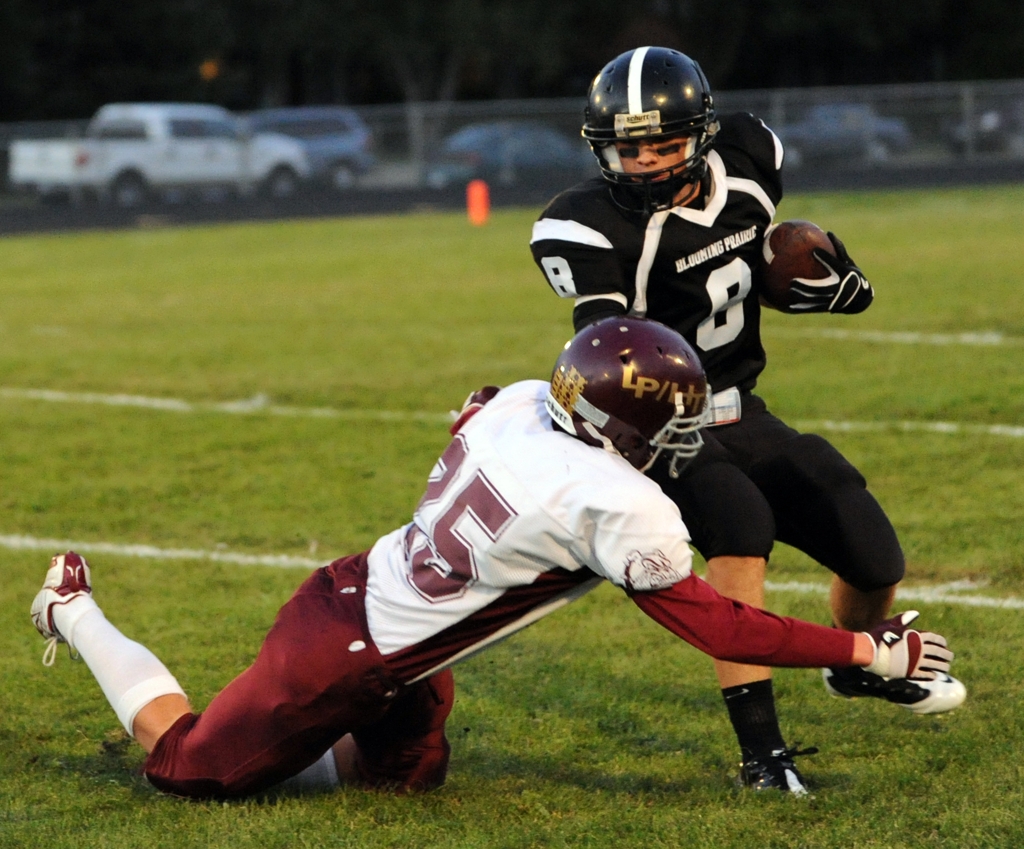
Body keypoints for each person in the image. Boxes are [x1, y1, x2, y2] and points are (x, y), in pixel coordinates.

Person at [30, 317, 954, 800]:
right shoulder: (614, 498)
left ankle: (288, 742)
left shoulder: (522, 401)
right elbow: (722, 623)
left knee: (402, 783)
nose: (680, 441)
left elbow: (470, 409)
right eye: (666, 424)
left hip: (400, 633)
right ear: (614, 428)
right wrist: (868, 651)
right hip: (346, 652)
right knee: (194, 770)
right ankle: (72, 609)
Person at [529, 46, 966, 793]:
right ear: (602, 149)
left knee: (867, 543)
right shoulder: (587, 225)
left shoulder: (750, 152)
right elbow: (603, 345)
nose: (649, 164)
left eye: (666, 145)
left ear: (700, 134)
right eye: (631, 150)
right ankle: (763, 755)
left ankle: (854, 664)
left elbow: (752, 260)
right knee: (738, 525)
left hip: (743, 405)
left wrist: (827, 281)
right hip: (661, 428)